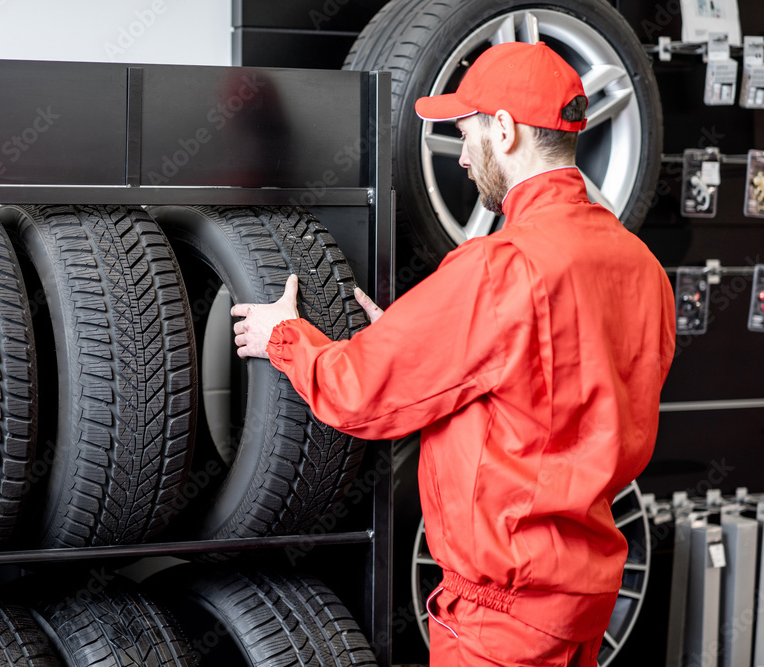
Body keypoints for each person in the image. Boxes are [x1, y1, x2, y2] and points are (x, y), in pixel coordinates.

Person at [231, 41, 675, 666]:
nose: (463, 156)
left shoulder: (500, 265)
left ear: (505, 129)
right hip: (583, 602)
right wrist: (426, 344)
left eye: (468, 134)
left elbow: (356, 392)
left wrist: (284, 335)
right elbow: (561, 398)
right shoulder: (643, 268)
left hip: (503, 618)